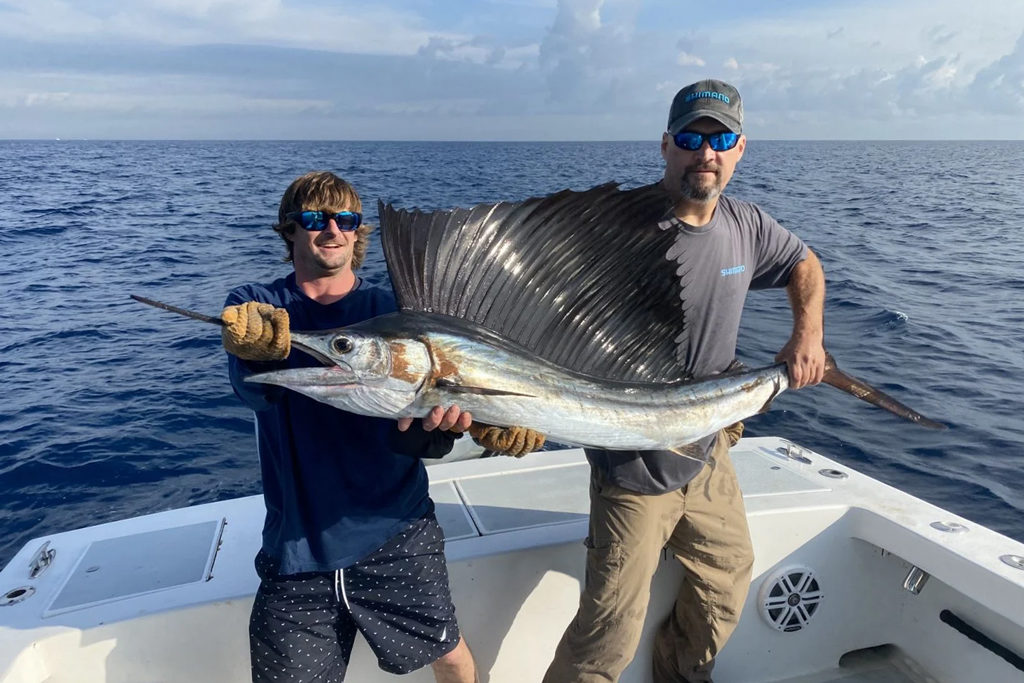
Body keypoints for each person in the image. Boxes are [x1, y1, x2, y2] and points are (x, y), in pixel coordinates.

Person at [543, 80, 827, 682]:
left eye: (721, 138)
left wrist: (808, 335)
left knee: (728, 577)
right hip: (633, 467)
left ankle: (679, 675)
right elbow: (554, 329)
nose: (707, 151)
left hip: (709, 448)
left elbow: (805, 263)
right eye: (693, 137)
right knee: (607, 634)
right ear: (666, 145)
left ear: (741, 148)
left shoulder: (747, 225)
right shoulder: (620, 232)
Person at [222, 171, 533, 682]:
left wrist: (480, 425)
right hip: (297, 546)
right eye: (314, 218)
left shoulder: (395, 312)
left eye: (345, 219)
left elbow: (416, 436)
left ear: (358, 231)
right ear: (289, 230)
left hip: (397, 532)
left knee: (451, 656)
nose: (332, 229)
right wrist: (256, 355)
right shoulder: (260, 305)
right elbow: (254, 390)